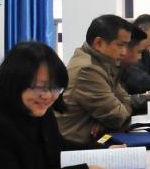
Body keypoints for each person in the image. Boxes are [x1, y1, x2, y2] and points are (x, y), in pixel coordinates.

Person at [57, 14, 135, 146]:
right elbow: (118, 117)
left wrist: (104, 120)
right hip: (76, 146)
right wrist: (109, 119)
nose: (124, 52)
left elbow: (126, 101)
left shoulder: (102, 62)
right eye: (120, 45)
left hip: (94, 138)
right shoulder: (87, 69)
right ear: (98, 43)